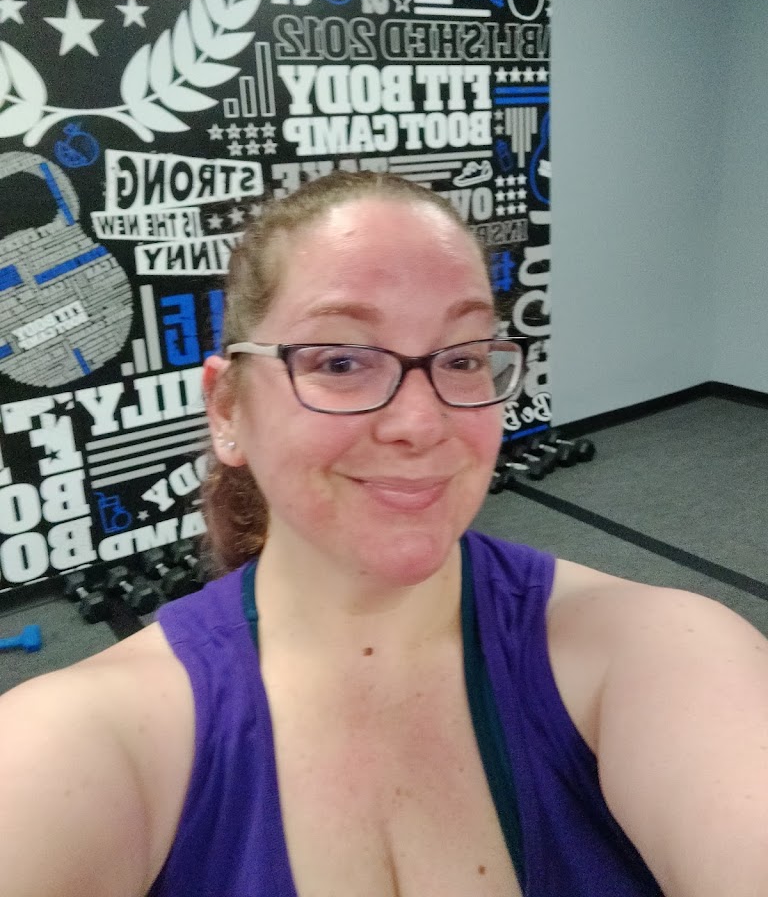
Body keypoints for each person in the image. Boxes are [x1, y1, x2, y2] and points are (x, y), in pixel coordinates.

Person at [1, 170, 767, 897]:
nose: (422, 423)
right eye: (340, 361)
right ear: (228, 408)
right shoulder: (74, 747)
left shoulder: (656, 651)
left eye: (462, 358)